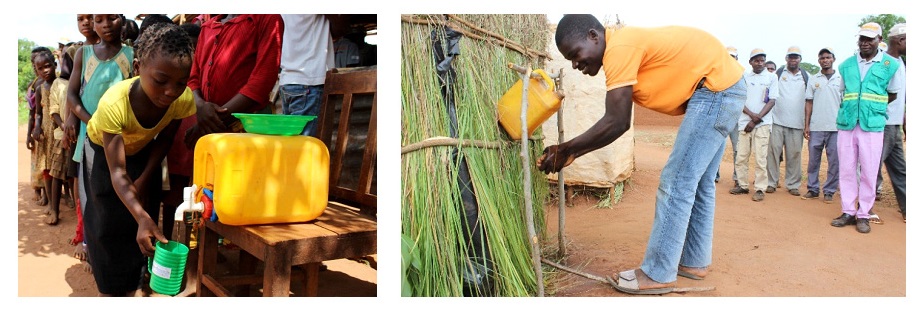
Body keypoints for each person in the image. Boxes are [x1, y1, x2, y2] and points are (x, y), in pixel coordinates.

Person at [542, 15, 745, 295]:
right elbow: (616, 121)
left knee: (676, 184)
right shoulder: (620, 47)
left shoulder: (619, 48)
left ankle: (658, 273)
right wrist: (572, 152)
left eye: (575, 55)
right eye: (570, 61)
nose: (576, 65)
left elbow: (617, 121)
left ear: (594, 36)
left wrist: (566, 149)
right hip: (724, 87)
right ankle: (694, 262)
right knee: (697, 184)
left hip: (715, 90)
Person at [83, 22, 196, 296]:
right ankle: (109, 288)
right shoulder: (114, 103)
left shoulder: (182, 100)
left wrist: (145, 178)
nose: (171, 91)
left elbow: (166, 139)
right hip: (103, 152)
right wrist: (140, 210)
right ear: (137, 69)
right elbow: (118, 173)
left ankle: (136, 279)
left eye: (180, 83)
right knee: (107, 220)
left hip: (145, 150)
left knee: (142, 220)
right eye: (161, 81)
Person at [64, 14, 133, 266]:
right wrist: (90, 121)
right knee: (91, 196)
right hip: (89, 136)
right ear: (93, 24)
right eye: (99, 20)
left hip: (122, 138)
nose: (106, 25)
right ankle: (93, 249)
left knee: (118, 195)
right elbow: (72, 95)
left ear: (122, 20)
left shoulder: (131, 55)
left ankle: (118, 254)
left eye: (112, 18)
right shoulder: (84, 53)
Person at [830, 22, 903, 234]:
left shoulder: (891, 65)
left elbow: (893, 94)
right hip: (847, 123)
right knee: (847, 169)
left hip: (872, 125)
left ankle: (864, 214)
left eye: (870, 39)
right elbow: (845, 92)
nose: (865, 42)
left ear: (879, 40)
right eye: (862, 38)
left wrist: (871, 108)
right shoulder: (846, 65)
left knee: (870, 171)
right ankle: (848, 211)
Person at [183, 14, 283, 147]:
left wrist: (210, 121)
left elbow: (261, 82)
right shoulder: (208, 27)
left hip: (248, 128)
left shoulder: (267, 18)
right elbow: (193, 77)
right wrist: (200, 105)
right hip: (211, 129)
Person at [65, 14, 102, 262]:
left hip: (111, 131)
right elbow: (73, 90)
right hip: (84, 126)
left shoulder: (118, 52)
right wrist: (69, 118)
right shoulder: (79, 53)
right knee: (84, 186)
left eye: (91, 18)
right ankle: (86, 236)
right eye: (81, 19)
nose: (86, 23)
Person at [730, 48, 777, 202]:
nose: (760, 63)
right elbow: (739, 99)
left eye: (762, 60)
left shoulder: (771, 77)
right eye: (756, 60)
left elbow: (772, 100)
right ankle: (742, 185)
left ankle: (760, 188)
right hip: (744, 122)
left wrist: (756, 119)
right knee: (741, 156)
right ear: (750, 62)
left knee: (761, 158)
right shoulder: (743, 76)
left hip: (763, 124)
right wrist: (751, 116)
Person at [277, 14, 334, 136]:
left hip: (288, 80)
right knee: (303, 147)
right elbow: (341, 27)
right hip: (308, 81)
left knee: (293, 142)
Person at [874, 23, 906, 222]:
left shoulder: (901, 62)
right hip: (882, 125)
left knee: (900, 170)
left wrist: (903, 119)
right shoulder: (883, 62)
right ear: (900, 40)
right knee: (871, 168)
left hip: (895, 126)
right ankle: (862, 208)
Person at [802, 48, 843, 204]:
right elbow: (809, 102)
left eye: (828, 57)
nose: (825, 60)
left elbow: (845, 102)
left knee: (835, 161)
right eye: (822, 58)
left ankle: (829, 191)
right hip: (816, 126)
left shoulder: (841, 78)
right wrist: (806, 125)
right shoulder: (814, 79)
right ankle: (812, 189)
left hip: (836, 128)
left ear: (833, 59)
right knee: (813, 160)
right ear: (818, 60)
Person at [766, 46, 808, 196]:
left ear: (800, 59)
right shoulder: (777, 74)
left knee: (795, 154)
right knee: (772, 153)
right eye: (790, 57)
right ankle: (771, 182)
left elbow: (809, 101)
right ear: (786, 58)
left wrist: (807, 125)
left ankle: (793, 184)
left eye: (796, 57)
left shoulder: (806, 76)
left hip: (797, 123)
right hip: (776, 121)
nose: (793, 59)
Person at [31, 48, 58, 223]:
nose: (45, 71)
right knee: (47, 168)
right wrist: (37, 127)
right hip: (46, 134)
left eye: (48, 66)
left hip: (59, 131)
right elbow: (38, 112)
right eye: (41, 68)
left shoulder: (62, 84)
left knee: (60, 170)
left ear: (55, 65)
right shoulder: (40, 88)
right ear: (36, 71)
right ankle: (49, 202)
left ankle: (60, 201)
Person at [717, 46, 742, 186]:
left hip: (737, 120)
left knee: (738, 150)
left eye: (733, 57)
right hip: (720, 118)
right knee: (715, 147)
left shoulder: (743, 76)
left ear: (737, 59)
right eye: (728, 57)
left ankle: (738, 178)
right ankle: (714, 175)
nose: (731, 60)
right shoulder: (717, 75)